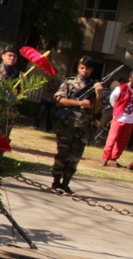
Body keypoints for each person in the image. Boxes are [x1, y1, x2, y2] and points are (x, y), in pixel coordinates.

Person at [50, 56, 103, 194]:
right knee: (62, 153)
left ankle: (66, 182)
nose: (85, 71)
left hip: (84, 127)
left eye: (88, 68)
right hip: (67, 124)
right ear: (78, 68)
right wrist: (80, 103)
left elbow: (96, 109)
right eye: (82, 68)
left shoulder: (94, 85)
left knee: (75, 156)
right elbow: (59, 99)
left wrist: (98, 94)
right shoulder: (70, 82)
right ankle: (56, 182)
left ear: (92, 70)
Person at [101, 73, 133, 167]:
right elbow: (112, 99)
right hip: (119, 117)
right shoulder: (121, 88)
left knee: (123, 141)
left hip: (130, 120)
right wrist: (117, 109)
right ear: (130, 78)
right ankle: (105, 158)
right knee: (112, 139)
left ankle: (114, 158)